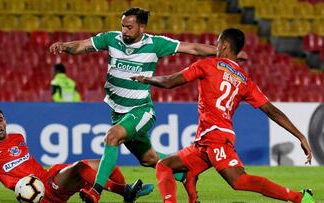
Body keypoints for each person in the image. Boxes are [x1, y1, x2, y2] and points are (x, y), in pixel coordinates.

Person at [49, 7, 249, 203]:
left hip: (141, 110)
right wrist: (65, 46)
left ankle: (95, 191)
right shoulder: (111, 39)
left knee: (113, 136)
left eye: (129, 27)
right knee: (149, 159)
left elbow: (192, 48)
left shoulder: (156, 44)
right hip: (118, 112)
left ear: (142, 28)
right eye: (123, 26)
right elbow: (82, 46)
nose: (124, 31)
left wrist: (223, 54)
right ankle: (185, 174)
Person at [131, 28, 315, 203]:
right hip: (206, 140)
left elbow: (170, 82)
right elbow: (271, 110)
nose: (215, 46)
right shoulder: (244, 79)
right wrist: (300, 135)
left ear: (225, 45)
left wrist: (147, 79)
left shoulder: (207, 65)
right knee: (164, 166)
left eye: (217, 43)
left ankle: (300, 197)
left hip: (215, 137)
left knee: (239, 181)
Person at [0, 106, 150, 203]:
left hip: (50, 177)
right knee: (81, 167)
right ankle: (124, 191)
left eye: (1, 119)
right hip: (42, 193)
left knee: (107, 165)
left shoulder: (18, 137)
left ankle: (128, 197)